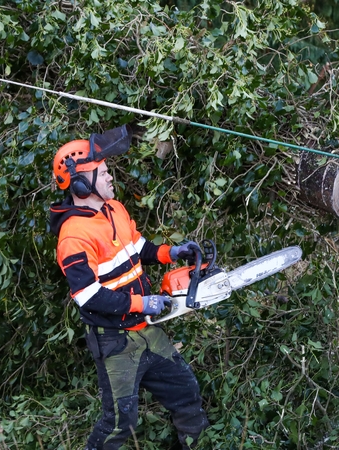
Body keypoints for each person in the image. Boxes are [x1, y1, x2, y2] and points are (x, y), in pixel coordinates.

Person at [48, 130, 209, 450]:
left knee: (186, 395)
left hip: (146, 330)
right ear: (79, 182)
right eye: (102, 171)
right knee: (120, 422)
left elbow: (139, 248)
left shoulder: (115, 209)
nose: (109, 175)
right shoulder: (73, 236)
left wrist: (171, 253)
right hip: (114, 340)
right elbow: (89, 297)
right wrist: (142, 302)